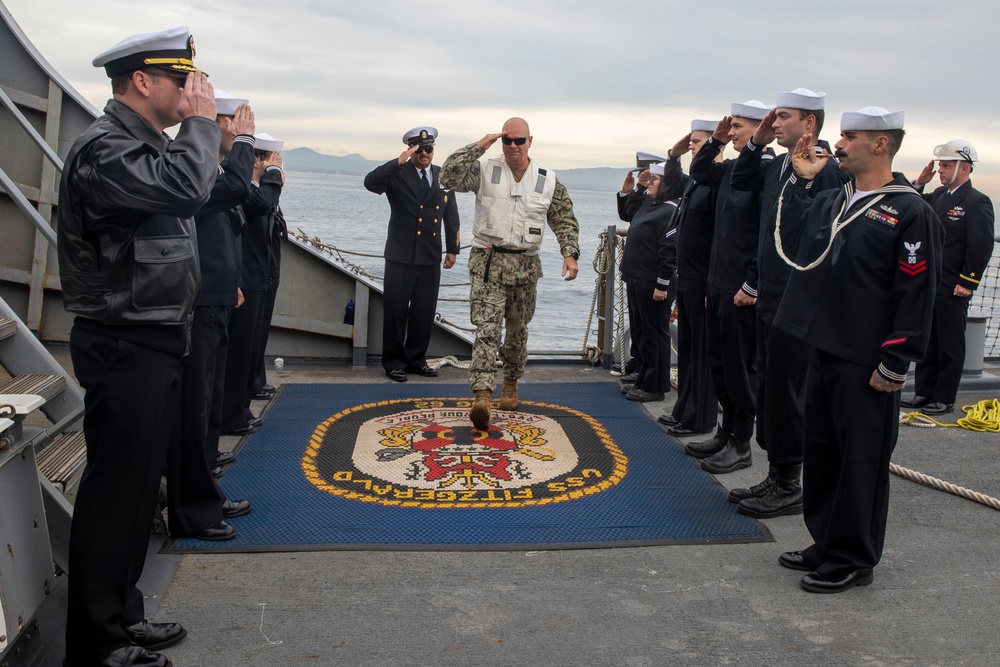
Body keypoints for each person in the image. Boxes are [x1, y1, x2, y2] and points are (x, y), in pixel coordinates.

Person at [57, 26, 219, 667]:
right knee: (114, 492)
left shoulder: (142, 146)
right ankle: (95, 643)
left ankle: (122, 616)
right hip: (123, 340)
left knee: (134, 490)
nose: (192, 91)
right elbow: (184, 189)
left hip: (152, 337)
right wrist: (204, 127)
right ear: (143, 82)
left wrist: (199, 132)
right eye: (182, 81)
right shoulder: (106, 150)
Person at [774, 107, 943, 593]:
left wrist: (897, 360)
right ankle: (826, 539)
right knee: (822, 450)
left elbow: (917, 292)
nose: (839, 144)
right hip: (824, 344)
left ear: (881, 144)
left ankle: (854, 557)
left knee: (862, 459)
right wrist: (805, 184)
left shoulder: (911, 211)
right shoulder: (838, 198)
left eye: (849, 137)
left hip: (868, 357)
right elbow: (800, 243)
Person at [726, 89, 850, 518]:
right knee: (771, 388)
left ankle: (789, 482)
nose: (774, 124)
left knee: (789, 391)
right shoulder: (778, 163)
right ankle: (776, 472)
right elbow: (740, 182)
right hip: (770, 293)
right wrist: (757, 143)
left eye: (782, 117)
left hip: (797, 299)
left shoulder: (826, 169)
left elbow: (820, 236)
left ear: (809, 123)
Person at [440, 117, 580, 429]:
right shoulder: (484, 170)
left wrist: (569, 253)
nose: (512, 147)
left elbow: (564, 218)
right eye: (507, 141)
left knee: (517, 332)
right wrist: (479, 146)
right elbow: (448, 175)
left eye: (519, 141)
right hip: (488, 264)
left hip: (526, 267)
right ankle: (482, 396)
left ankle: (512, 381)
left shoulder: (547, 179)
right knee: (486, 331)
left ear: (531, 141)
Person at [165, 91, 256, 544]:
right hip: (198, 303)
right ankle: (192, 508)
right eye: (232, 120)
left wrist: (230, 279)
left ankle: (205, 492)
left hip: (216, 294)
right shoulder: (192, 166)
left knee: (208, 406)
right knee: (195, 409)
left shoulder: (210, 168)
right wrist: (246, 142)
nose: (239, 126)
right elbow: (238, 190)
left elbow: (218, 233)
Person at [685, 100, 773, 474]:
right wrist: (714, 142)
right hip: (719, 283)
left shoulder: (765, 172)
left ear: (759, 130)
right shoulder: (733, 169)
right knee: (719, 364)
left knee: (740, 368)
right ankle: (725, 433)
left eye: (738, 127)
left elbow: (765, 234)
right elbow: (699, 172)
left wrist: (752, 283)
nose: (732, 131)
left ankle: (741, 444)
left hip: (742, 289)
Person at [901, 140, 995, 415]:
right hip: (930, 281)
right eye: (941, 164)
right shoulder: (939, 195)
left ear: (963, 168)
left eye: (945, 165)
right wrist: (919, 182)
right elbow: (910, 204)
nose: (940, 169)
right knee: (928, 340)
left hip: (954, 283)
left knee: (949, 344)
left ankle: (944, 397)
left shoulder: (976, 201)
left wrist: (968, 281)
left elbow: (981, 245)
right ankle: (923, 393)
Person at [364, 126, 461, 381]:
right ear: (411, 149)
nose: (425, 154)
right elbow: (370, 183)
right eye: (419, 149)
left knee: (424, 311)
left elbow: (451, 215)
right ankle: (394, 362)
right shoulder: (398, 174)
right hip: (400, 254)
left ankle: (416, 359)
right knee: (396, 310)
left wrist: (453, 248)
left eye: (429, 149)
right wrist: (399, 160)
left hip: (429, 254)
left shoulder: (442, 176)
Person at [657, 120, 720, 437]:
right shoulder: (697, 183)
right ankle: (685, 409)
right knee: (689, 348)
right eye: (692, 142)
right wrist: (673, 154)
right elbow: (672, 181)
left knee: (702, 354)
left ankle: (701, 418)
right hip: (688, 277)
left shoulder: (718, 183)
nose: (693, 146)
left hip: (705, 279)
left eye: (698, 142)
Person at [220, 133, 284, 436]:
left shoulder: (255, 187)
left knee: (250, 346)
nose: (277, 166)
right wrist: (273, 176)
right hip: (245, 277)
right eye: (271, 160)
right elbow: (260, 205)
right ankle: (230, 414)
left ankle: (240, 407)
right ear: (257, 159)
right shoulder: (242, 186)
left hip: (260, 274)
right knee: (239, 350)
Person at [618, 161, 680, 401]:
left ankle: (654, 386)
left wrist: (662, 284)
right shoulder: (652, 204)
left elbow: (669, 250)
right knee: (642, 331)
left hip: (653, 281)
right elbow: (629, 212)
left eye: (654, 179)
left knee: (654, 333)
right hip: (636, 278)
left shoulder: (670, 210)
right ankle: (644, 376)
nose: (649, 183)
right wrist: (634, 189)